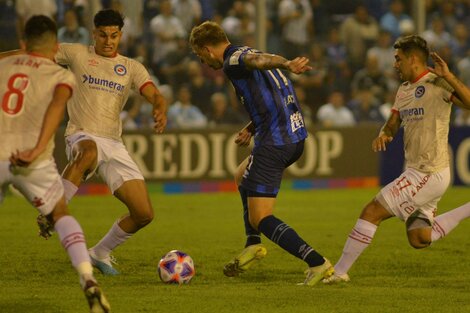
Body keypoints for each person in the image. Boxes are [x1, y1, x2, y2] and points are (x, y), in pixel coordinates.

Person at [189, 21, 334, 286]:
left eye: (200, 56)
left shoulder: (232, 61)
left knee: (261, 217)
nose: (203, 62)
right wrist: (251, 127)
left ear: (208, 49)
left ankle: (317, 262)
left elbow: (258, 60)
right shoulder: (244, 51)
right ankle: (252, 244)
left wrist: (287, 63)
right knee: (241, 173)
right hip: (292, 135)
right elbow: (273, 92)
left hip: (276, 142)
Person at [323, 35, 470, 284]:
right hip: (421, 171)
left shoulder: (437, 83)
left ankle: (338, 272)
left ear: (413, 59)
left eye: (398, 59)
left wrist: (449, 76)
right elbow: (393, 122)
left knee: (371, 211)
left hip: (427, 171)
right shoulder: (404, 90)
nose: (394, 64)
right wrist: (385, 133)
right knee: (420, 238)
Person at [0, 15, 110, 312]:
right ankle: (87, 277)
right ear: (56, 46)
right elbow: (56, 108)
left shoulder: (3, 65)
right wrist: (36, 148)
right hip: (33, 160)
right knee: (60, 213)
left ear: (23, 43)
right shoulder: (60, 75)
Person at [53, 9, 166, 276]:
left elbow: (155, 94)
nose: (108, 41)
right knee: (88, 150)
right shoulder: (77, 53)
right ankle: (54, 210)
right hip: (81, 133)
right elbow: (36, 53)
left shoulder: (131, 67)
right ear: (94, 34)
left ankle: (99, 253)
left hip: (114, 143)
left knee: (143, 214)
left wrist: (160, 109)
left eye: (113, 35)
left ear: (120, 36)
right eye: (103, 35)